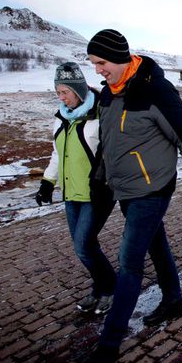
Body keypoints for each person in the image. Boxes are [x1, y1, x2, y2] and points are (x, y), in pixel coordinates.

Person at [84, 29, 182, 363]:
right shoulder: (108, 94)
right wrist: (98, 179)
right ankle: (174, 300)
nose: (98, 70)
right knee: (155, 243)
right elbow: (107, 144)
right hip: (122, 188)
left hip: (152, 189)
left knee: (129, 261)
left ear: (120, 58)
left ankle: (109, 343)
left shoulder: (155, 90)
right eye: (93, 64)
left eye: (101, 63)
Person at [35, 62, 116, 316]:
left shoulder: (100, 114)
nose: (61, 97)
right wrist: (47, 182)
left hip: (96, 194)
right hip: (71, 194)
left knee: (83, 245)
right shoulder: (60, 118)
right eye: (58, 92)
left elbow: (111, 154)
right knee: (86, 246)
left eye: (65, 92)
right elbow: (57, 154)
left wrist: (106, 182)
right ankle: (100, 289)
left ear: (78, 91)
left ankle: (110, 288)